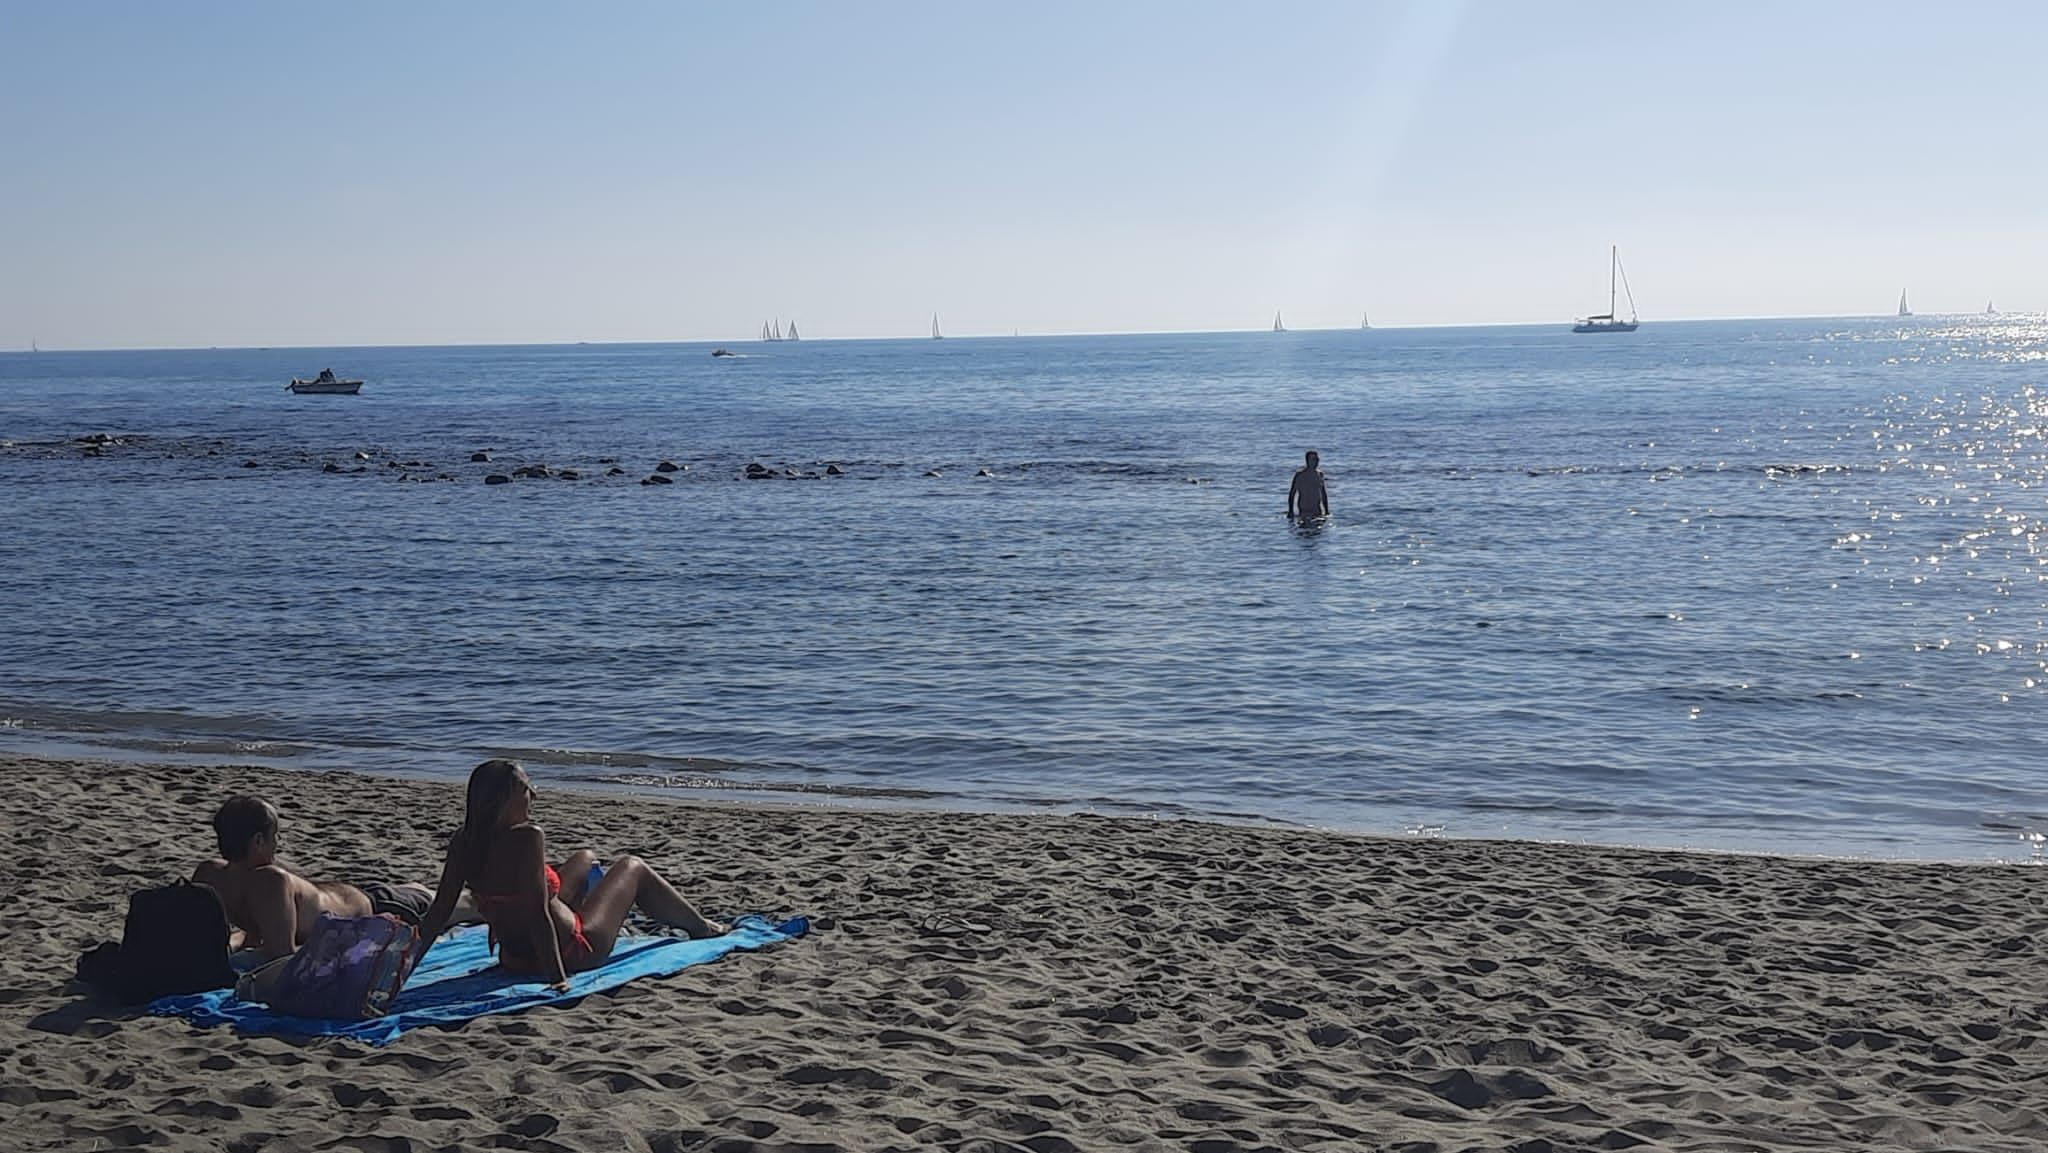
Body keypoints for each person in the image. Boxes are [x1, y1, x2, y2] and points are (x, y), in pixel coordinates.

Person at [415, 759, 725, 992]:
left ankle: (600, 907)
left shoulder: (465, 840)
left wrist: (400, 974)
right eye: (526, 789)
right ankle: (701, 927)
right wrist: (558, 978)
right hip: (574, 949)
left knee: (585, 858)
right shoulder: (527, 837)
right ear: (505, 798)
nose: (533, 796)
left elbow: (438, 913)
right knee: (633, 866)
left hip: (513, 956)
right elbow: (537, 914)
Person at [193, 796, 439, 960]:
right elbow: (280, 953)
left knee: (440, 901)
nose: (277, 843)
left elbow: (266, 944)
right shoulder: (265, 880)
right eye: (275, 835)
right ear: (258, 841)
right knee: (419, 893)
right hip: (349, 901)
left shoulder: (213, 876)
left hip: (364, 905)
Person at [1288, 449, 1330, 521]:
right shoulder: (1300, 475)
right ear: (1307, 461)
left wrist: (1326, 511)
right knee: (1304, 531)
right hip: (1304, 512)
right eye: (1314, 459)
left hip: (1317, 511)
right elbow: (1292, 494)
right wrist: (1291, 511)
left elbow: (1324, 494)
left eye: (1317, 459)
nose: (1316, 462)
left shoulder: (1320, 474)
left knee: (1318, 531)